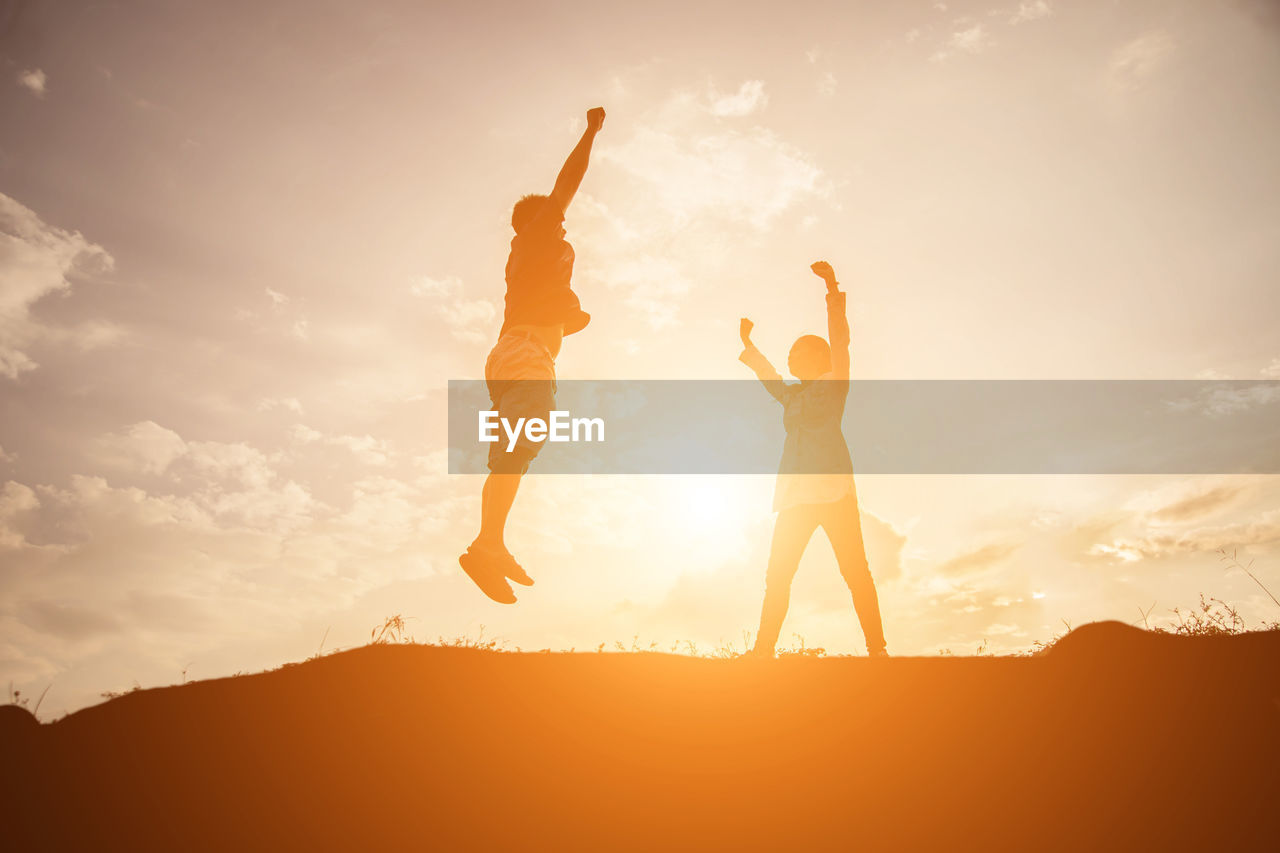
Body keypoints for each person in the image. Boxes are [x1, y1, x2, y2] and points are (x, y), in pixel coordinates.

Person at [459, 106, 605, 604]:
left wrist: (572, 316)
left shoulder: (535, 265)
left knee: (517, 451)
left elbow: (560, 310)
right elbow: (568, 183)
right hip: (524, 355)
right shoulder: (538, 233)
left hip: (517, 355)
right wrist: (590, 133)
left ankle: (490, 544)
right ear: (536, 222)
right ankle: (486, 546)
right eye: (556, 222)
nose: (564, 229)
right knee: (517, 450)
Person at [738, 261, 888, 657]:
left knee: (855, 571)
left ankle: (878, 650)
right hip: (795, 496)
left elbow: (840, 341)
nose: (791, 355)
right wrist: (750, 347)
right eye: (790, 352)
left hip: (834, 492)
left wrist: (831, 288)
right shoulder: (794, 396)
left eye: (799, 350)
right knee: (778, 575)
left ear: (820, 357)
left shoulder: (834, 384)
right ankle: (761, 652)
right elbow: (771, 380)